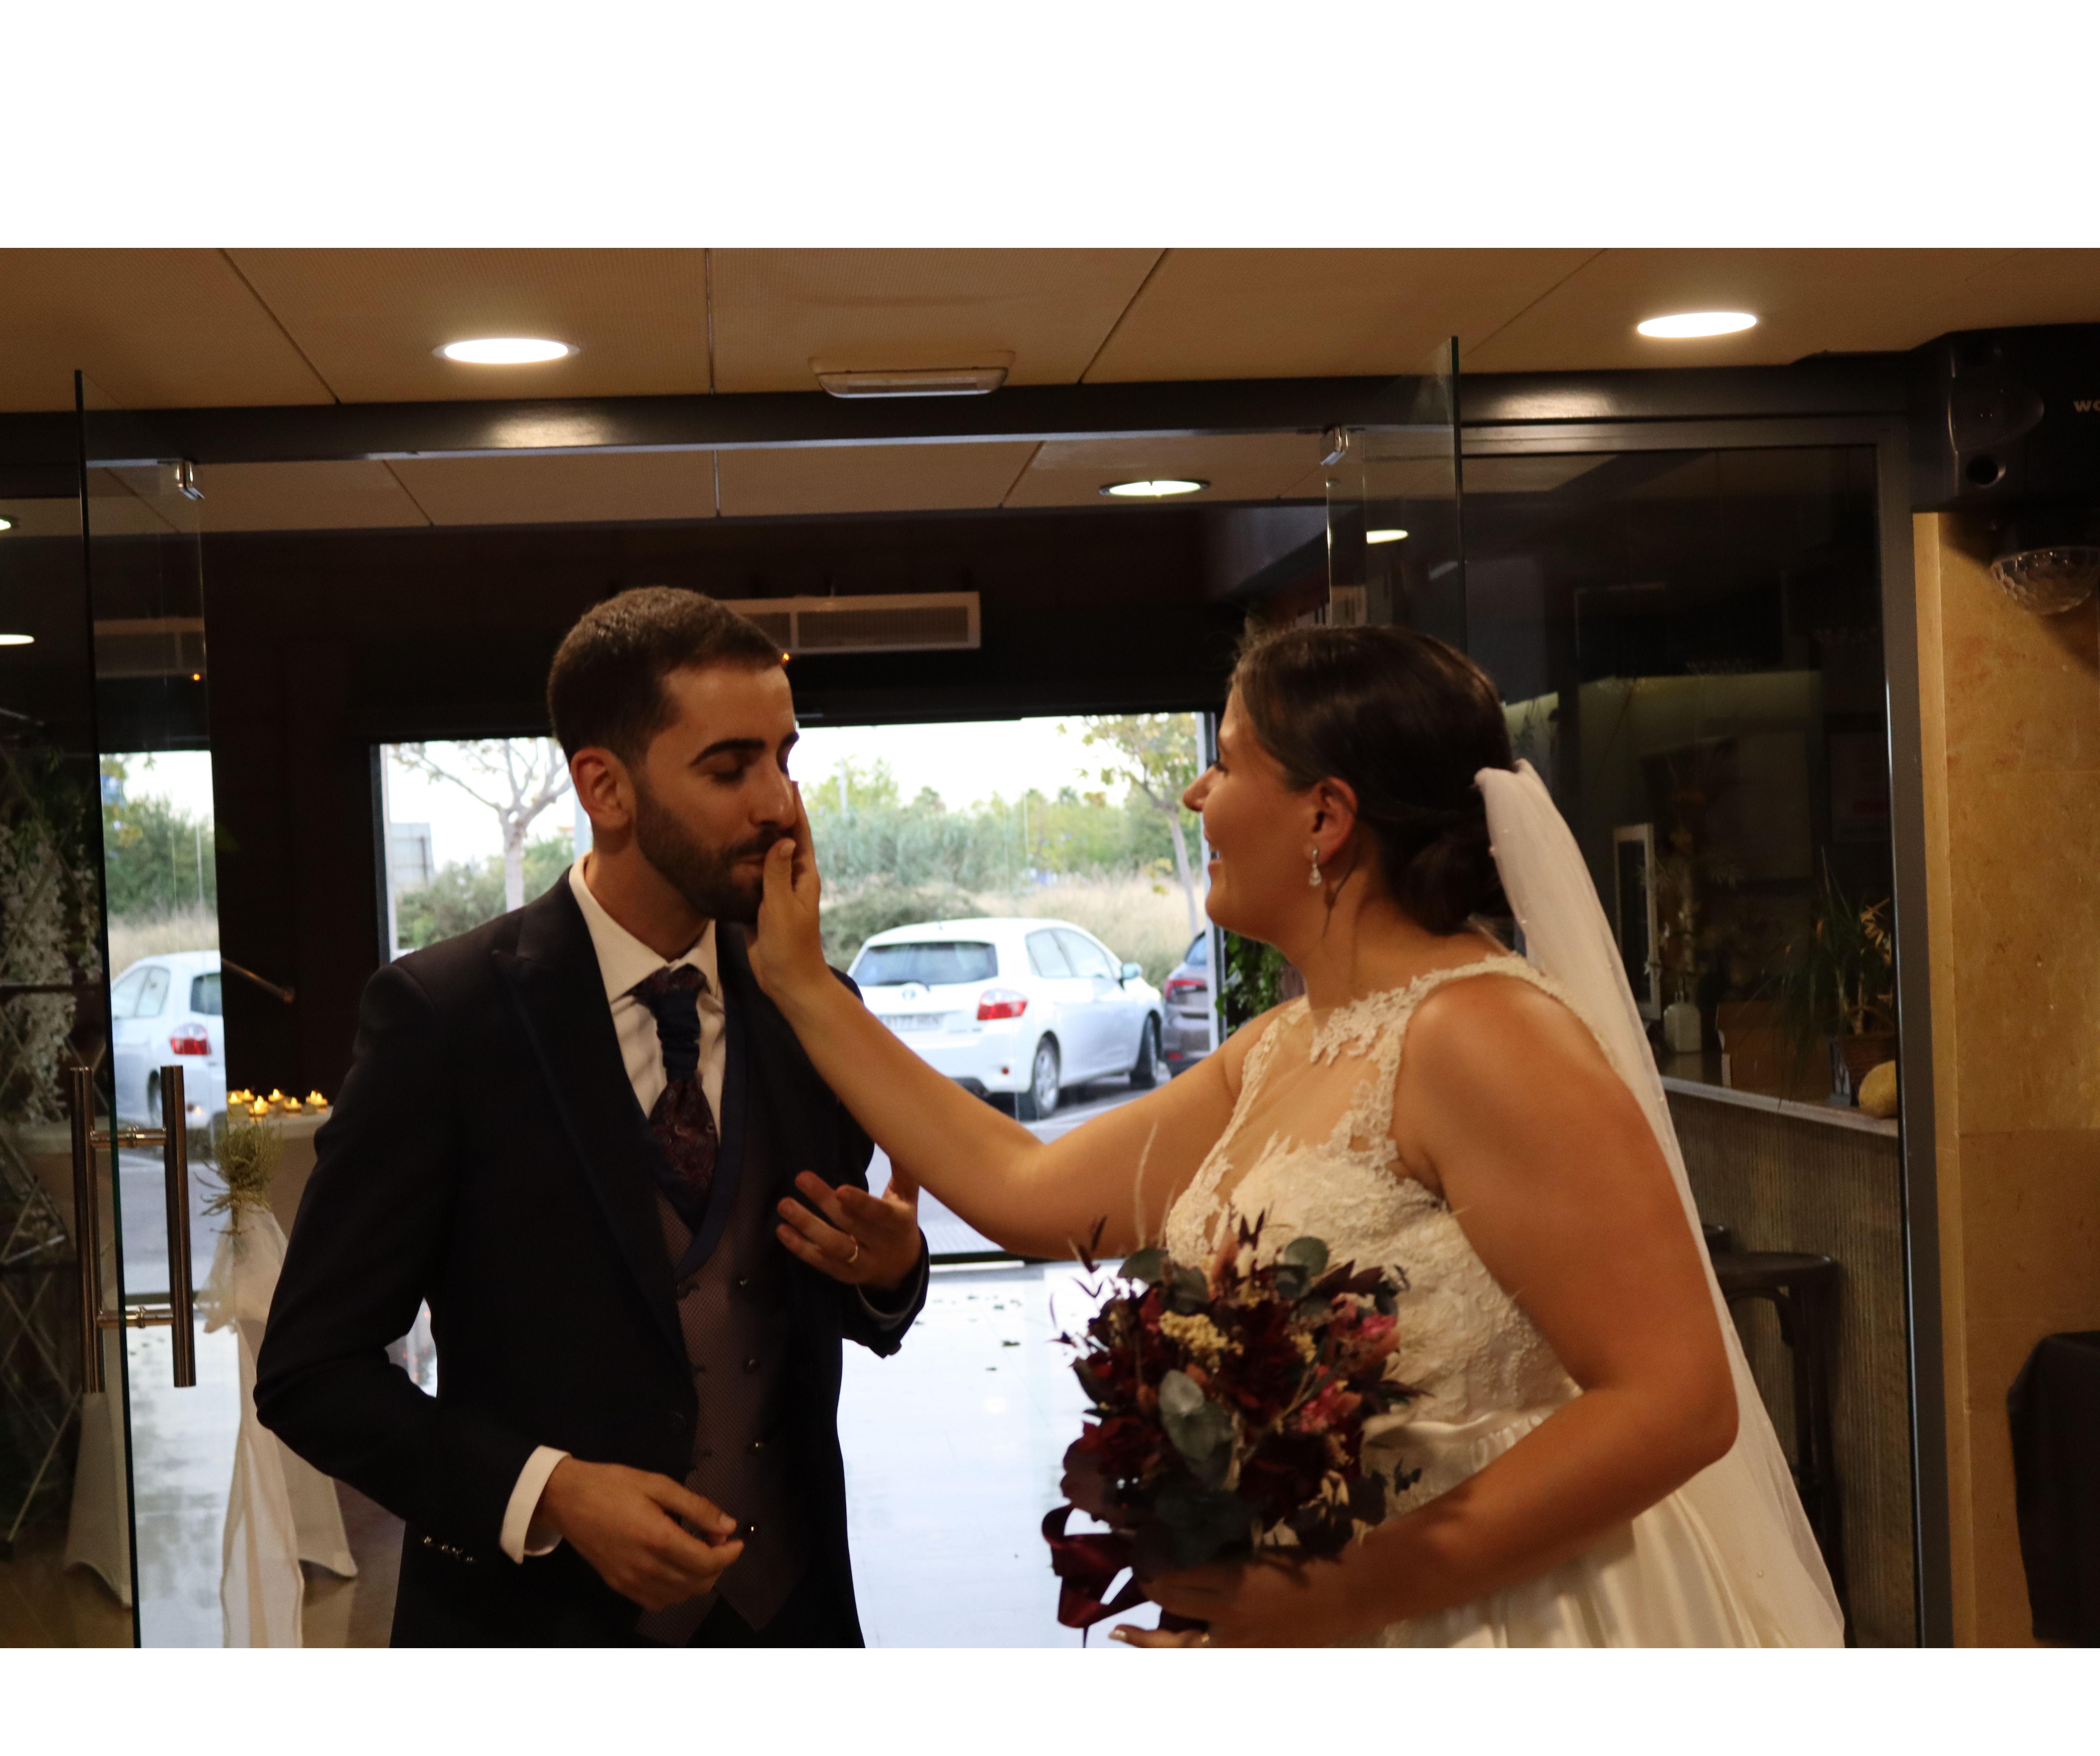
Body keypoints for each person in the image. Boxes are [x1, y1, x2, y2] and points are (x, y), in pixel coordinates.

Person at [748, 622, 1845, 1648]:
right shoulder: (1281, 1045)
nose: (1196, 792)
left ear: (1325, 819)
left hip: (1502, 1613)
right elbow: (1026, 1186)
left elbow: (1676, 1403)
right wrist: (802, 986)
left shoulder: (1483, 1033)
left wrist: (1339, 1596)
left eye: (1225, 763)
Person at [255, 588, 928, 1647]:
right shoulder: (444, 1019)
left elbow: (800, 1307)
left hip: (792, 1617)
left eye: (784, 759)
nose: (779, 805)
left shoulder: (813, 1007)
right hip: (531, 1629)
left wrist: (886, 1277)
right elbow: (311, 1372)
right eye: (730, 768)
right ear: (605, 788)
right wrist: (551, 1492)